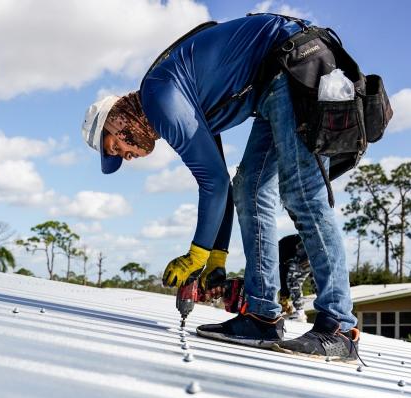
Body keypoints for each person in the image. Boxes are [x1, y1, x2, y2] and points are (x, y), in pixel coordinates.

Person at [81, 13, 361, 361]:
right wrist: (216, 257)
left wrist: (195, 254)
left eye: (114, 148)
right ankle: (261, 316)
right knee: (249, 189)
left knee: (303, 193)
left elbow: (211, 182)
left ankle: (339, 327)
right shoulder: (182, 98)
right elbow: (221, 184)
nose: (124, 155)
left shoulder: (160, 97)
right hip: (271, 85)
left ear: (117, 122)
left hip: (291, 65)